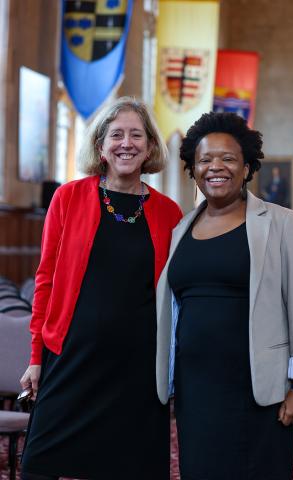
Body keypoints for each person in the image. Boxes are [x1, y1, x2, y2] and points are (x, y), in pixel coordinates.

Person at [19, 96, 183, 480]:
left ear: (150, 147)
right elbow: (45, 279)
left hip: (138, 365)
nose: (126, 143)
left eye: (136, 135)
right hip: (72, 354)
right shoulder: (68, 197)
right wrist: (36, 355)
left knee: (130, 467)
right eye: (117, 135)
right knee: (39, 465)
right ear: (101, 146)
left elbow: (174, 294)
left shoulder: (169, 212)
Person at [156, 112, 293, 480]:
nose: (216, 167)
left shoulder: (280, 221)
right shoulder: (182, 228)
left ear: (247, 167)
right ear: (193, 170)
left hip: (259, 387)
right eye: (205, 160)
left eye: (228, 158)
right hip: (196, 388)